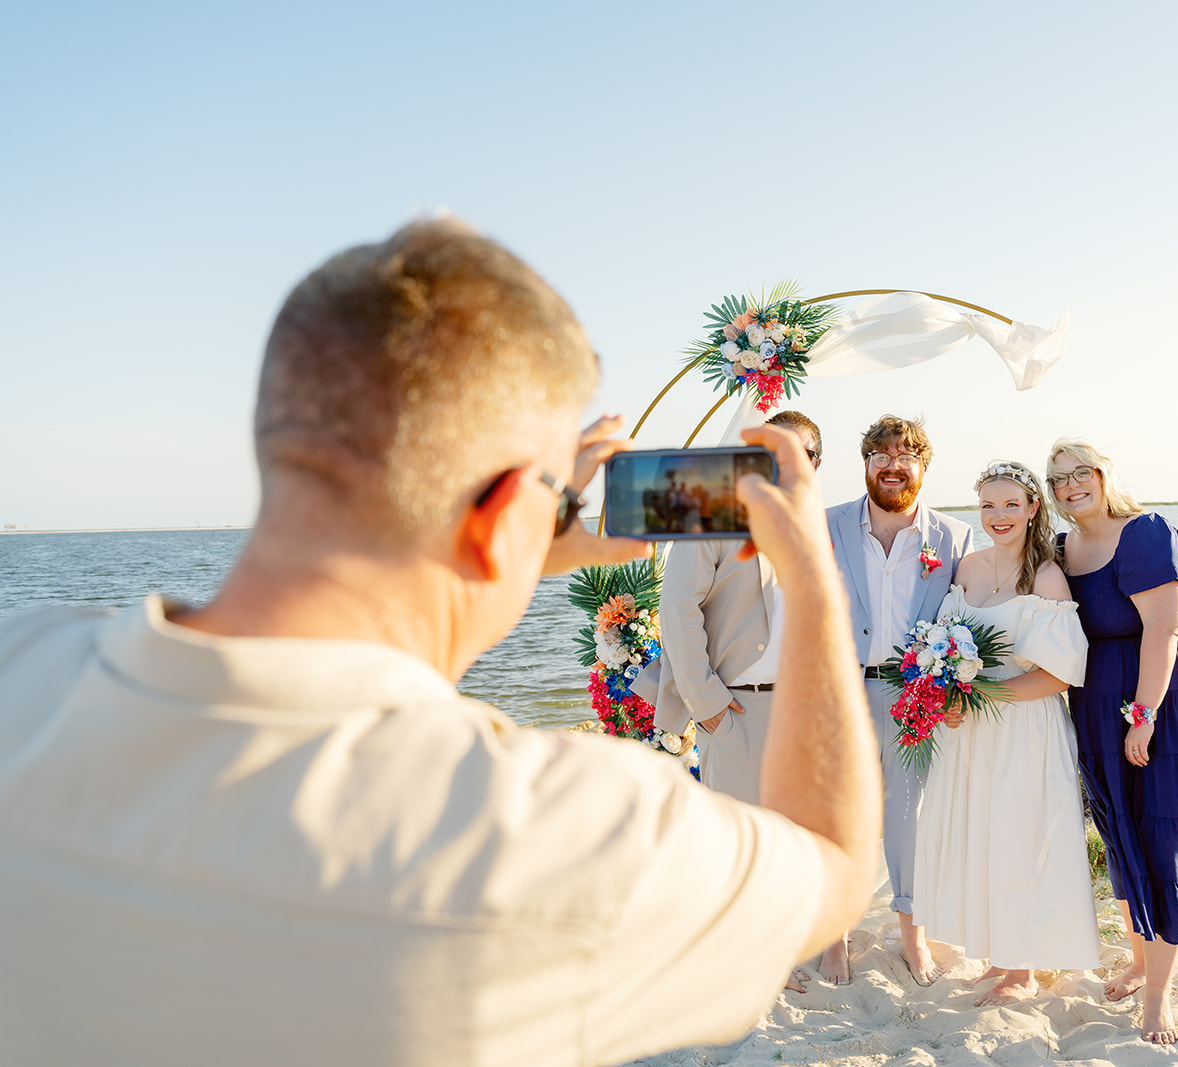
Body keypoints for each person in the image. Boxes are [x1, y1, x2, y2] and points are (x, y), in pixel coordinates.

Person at [0, 219, 883, 1067]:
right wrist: (808, 576)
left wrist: (498, 537)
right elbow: (833, 868)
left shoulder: (23, 669)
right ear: (503, 516)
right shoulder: (553, 830)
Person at [629, 410, 823, 994]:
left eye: (799, 455)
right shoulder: (711, 518)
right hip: (737, 704)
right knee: (739, 838)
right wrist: (707, 702)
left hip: (802, 707)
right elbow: (677, 612)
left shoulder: (819, 525)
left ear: (814, 463)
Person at [1048, 437, 1178, 1045]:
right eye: (1058, 479)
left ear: (1104, 474)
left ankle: (1159, 997)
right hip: (1099, 708)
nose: (1071, 485)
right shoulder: (1061, 547)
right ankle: (1137, 958)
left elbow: (1165, 629)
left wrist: (1144, 715)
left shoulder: (1146, 533)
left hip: (1163, 702)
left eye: (1082, 472)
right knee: (1122, 835)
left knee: (1162, 837)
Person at [913, 461, 1100, 1006]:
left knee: (1020, 837)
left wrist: (982, 696)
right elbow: (944, 647)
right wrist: (947, 696)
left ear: (1033, 509)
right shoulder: (968, 567)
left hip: (1024, 729)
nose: (998, 516)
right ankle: (1000, 956)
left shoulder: (1045, 577)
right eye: (988, 506)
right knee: (983, 837)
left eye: (1010, 505)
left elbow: (1061, 673)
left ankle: (1022, 972)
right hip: (970, 734)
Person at [823, 414, 973, 987]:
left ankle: (912, 934)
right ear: (865, 464)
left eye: (905, 455)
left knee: (910, 815)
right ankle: (834, 935)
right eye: (880, 454)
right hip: (839, 690)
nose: (892, 464)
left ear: (923, 468)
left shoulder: (954, 537)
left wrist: (959, 689)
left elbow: (968, 615)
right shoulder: (827, 525)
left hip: (915, 695)